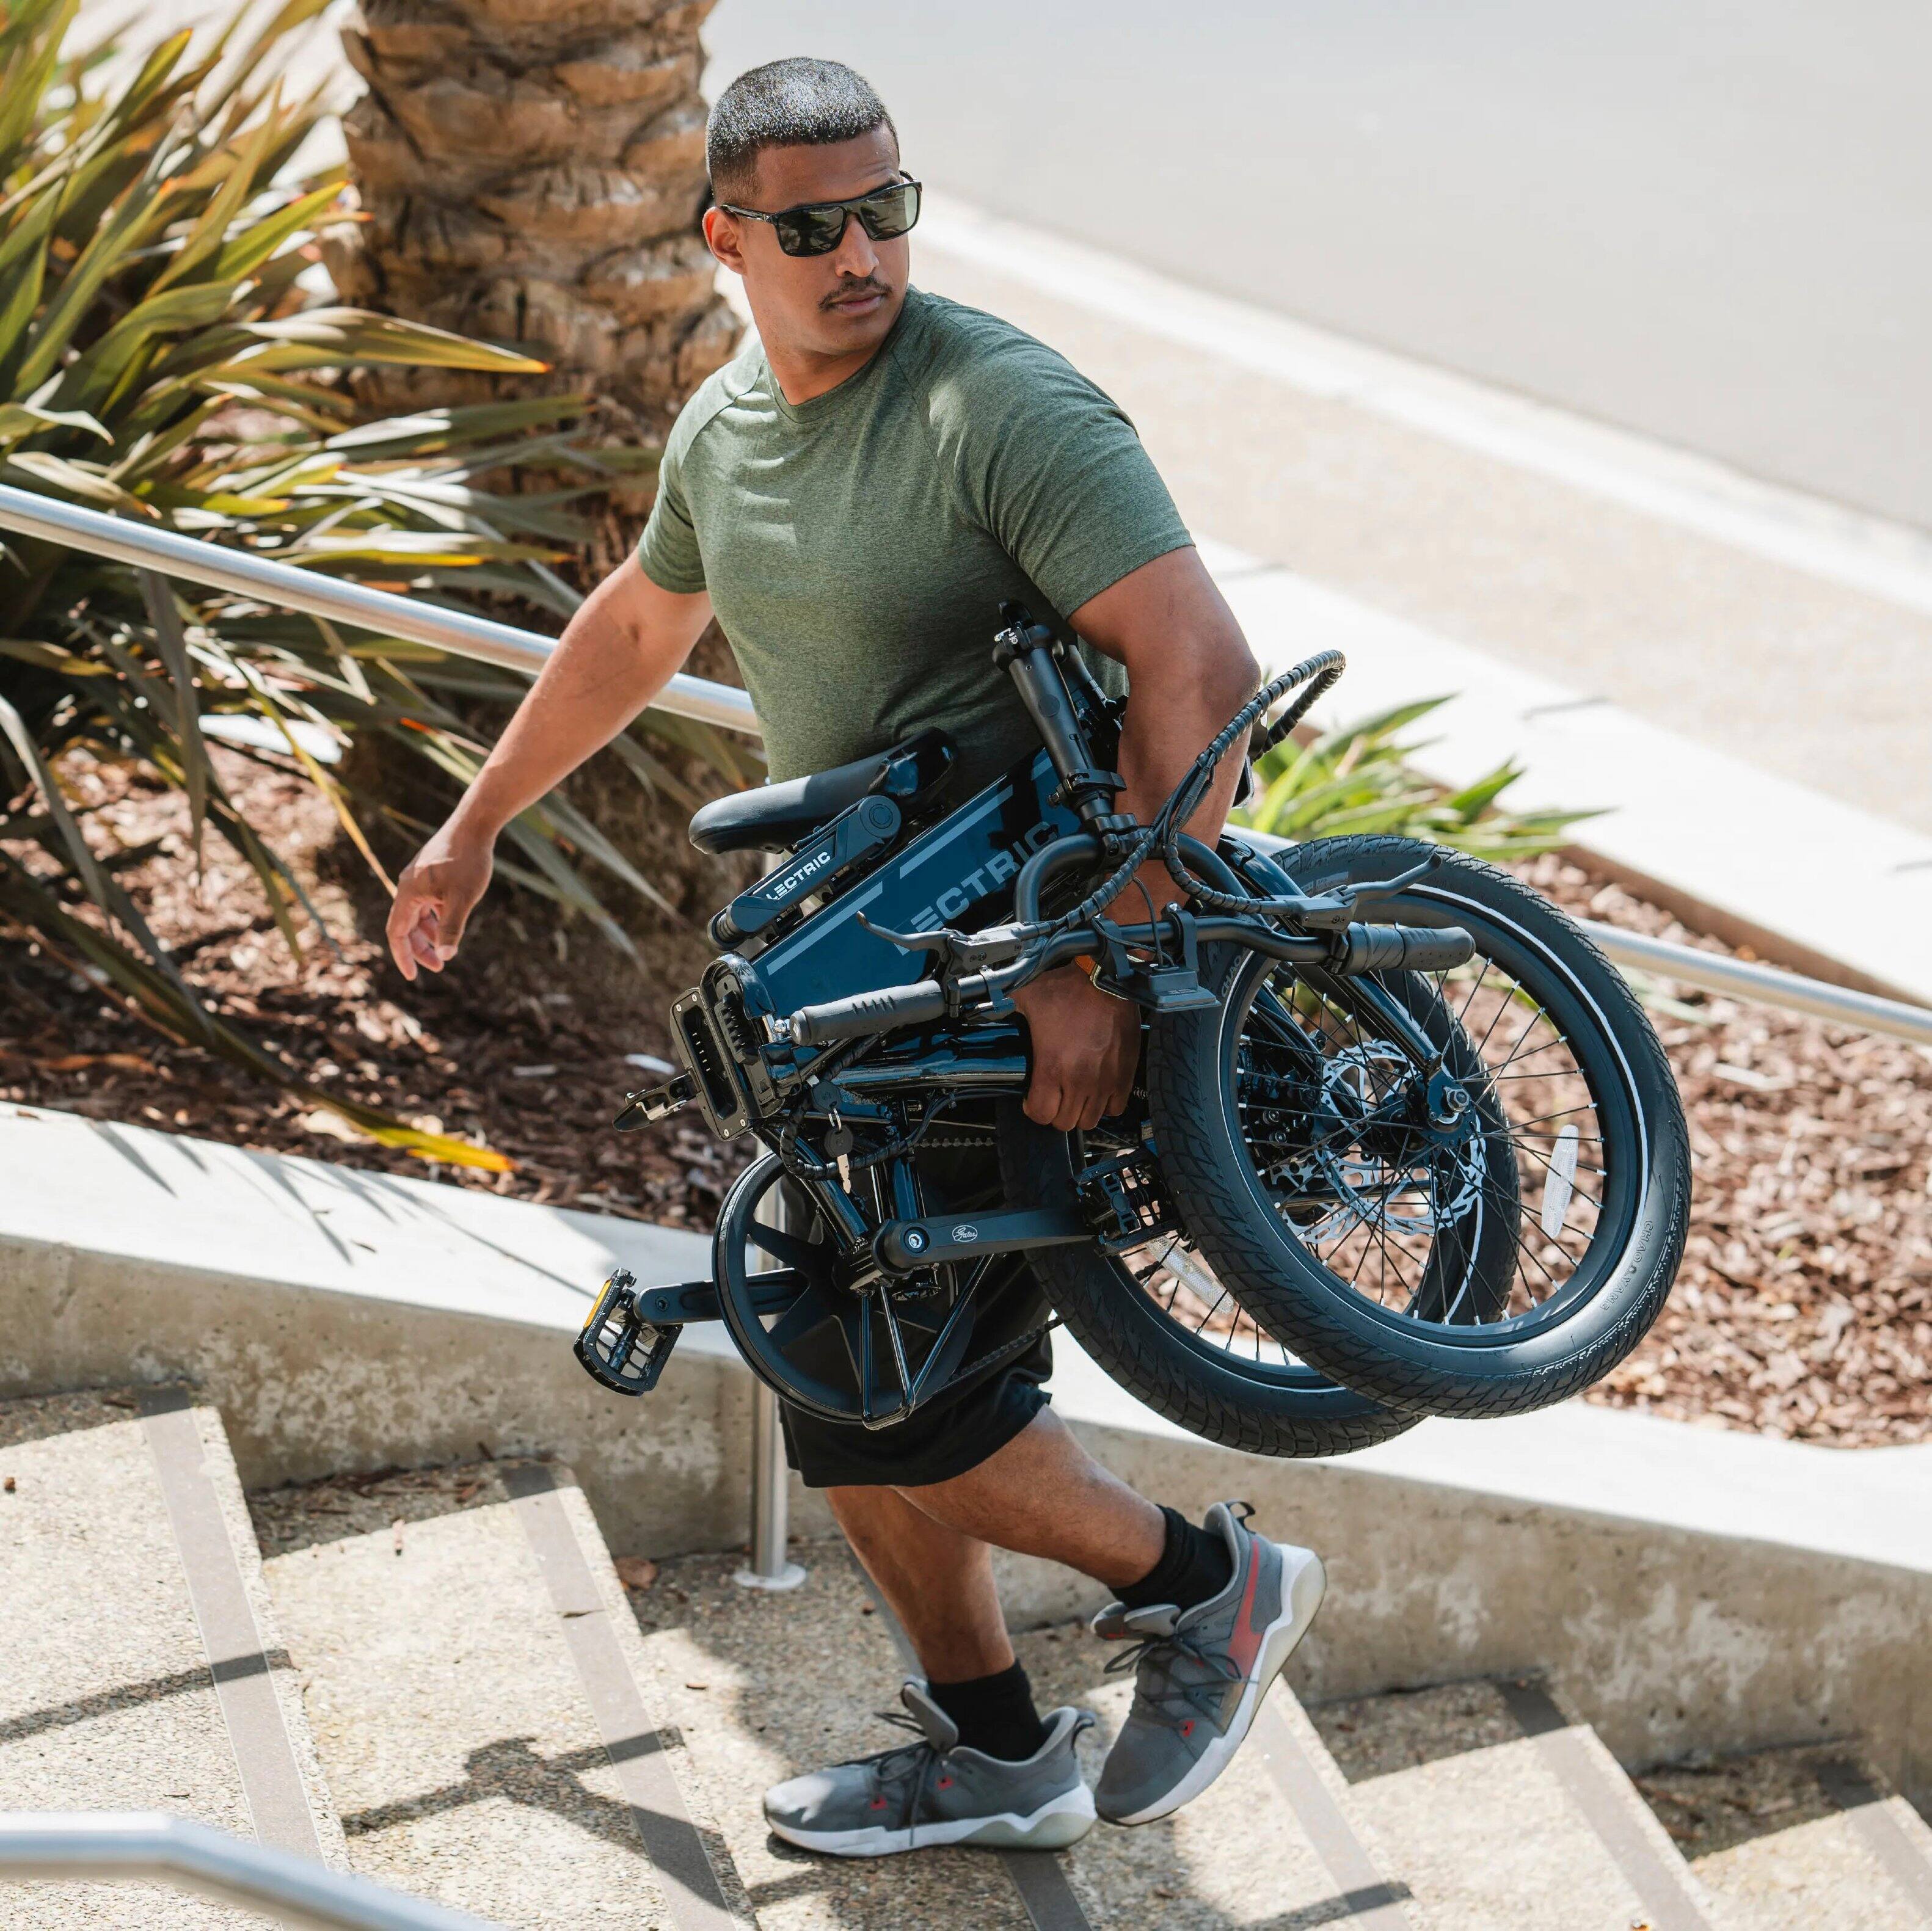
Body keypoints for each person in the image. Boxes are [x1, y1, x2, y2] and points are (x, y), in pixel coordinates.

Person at [385, 56, 1326, 1855]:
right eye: (810, 226)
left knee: (921, 1405)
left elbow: (1193, 672)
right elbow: (641, 622)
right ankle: (998, 1754)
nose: (859, 254)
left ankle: (1213, 1585)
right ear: (724, 235)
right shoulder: (722, 430)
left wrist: (1097, 963)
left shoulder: (999, 407)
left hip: (1019, 963)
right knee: (838, 1390)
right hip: (863, 994)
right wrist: (477, 819)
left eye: (885, 208)